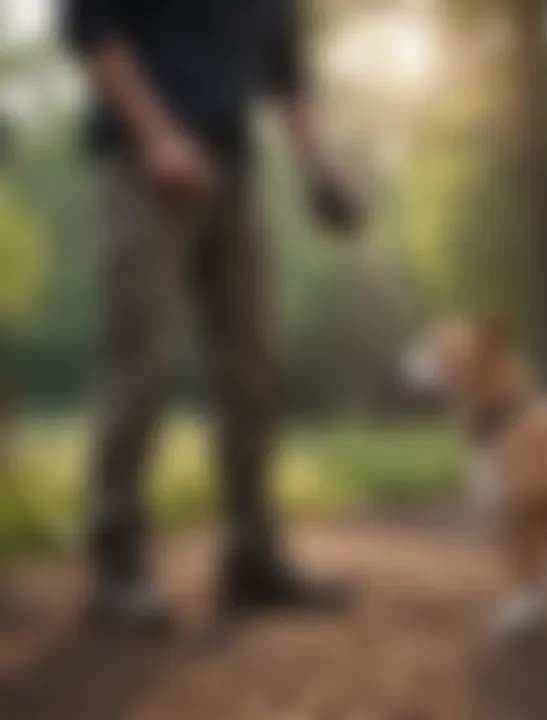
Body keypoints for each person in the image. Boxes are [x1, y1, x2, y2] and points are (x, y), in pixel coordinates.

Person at [64, 0, 363, 630]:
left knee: (255, 369)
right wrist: (159, 137)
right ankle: (118, 569)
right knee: (142, 364)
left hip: (234, 173)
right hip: (141, 166)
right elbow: (92, 29)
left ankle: (252, 558)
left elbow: (288, 80)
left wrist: (321, 170)